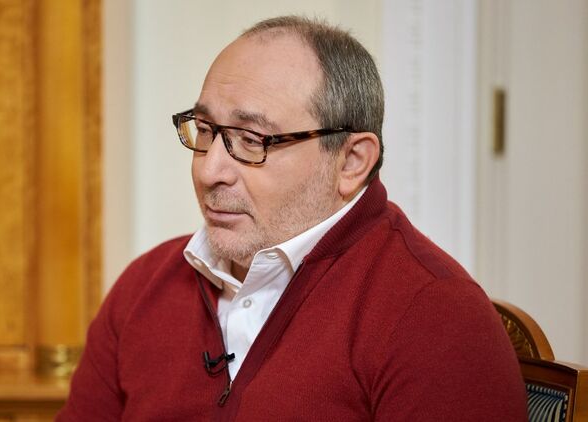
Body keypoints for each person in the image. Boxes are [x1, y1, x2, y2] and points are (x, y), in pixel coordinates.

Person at [57, 15, 527, 421]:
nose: (208, 170)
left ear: (351, 162)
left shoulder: (434, 316)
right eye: (205, 130)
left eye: (252, 140)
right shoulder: (144, 287)